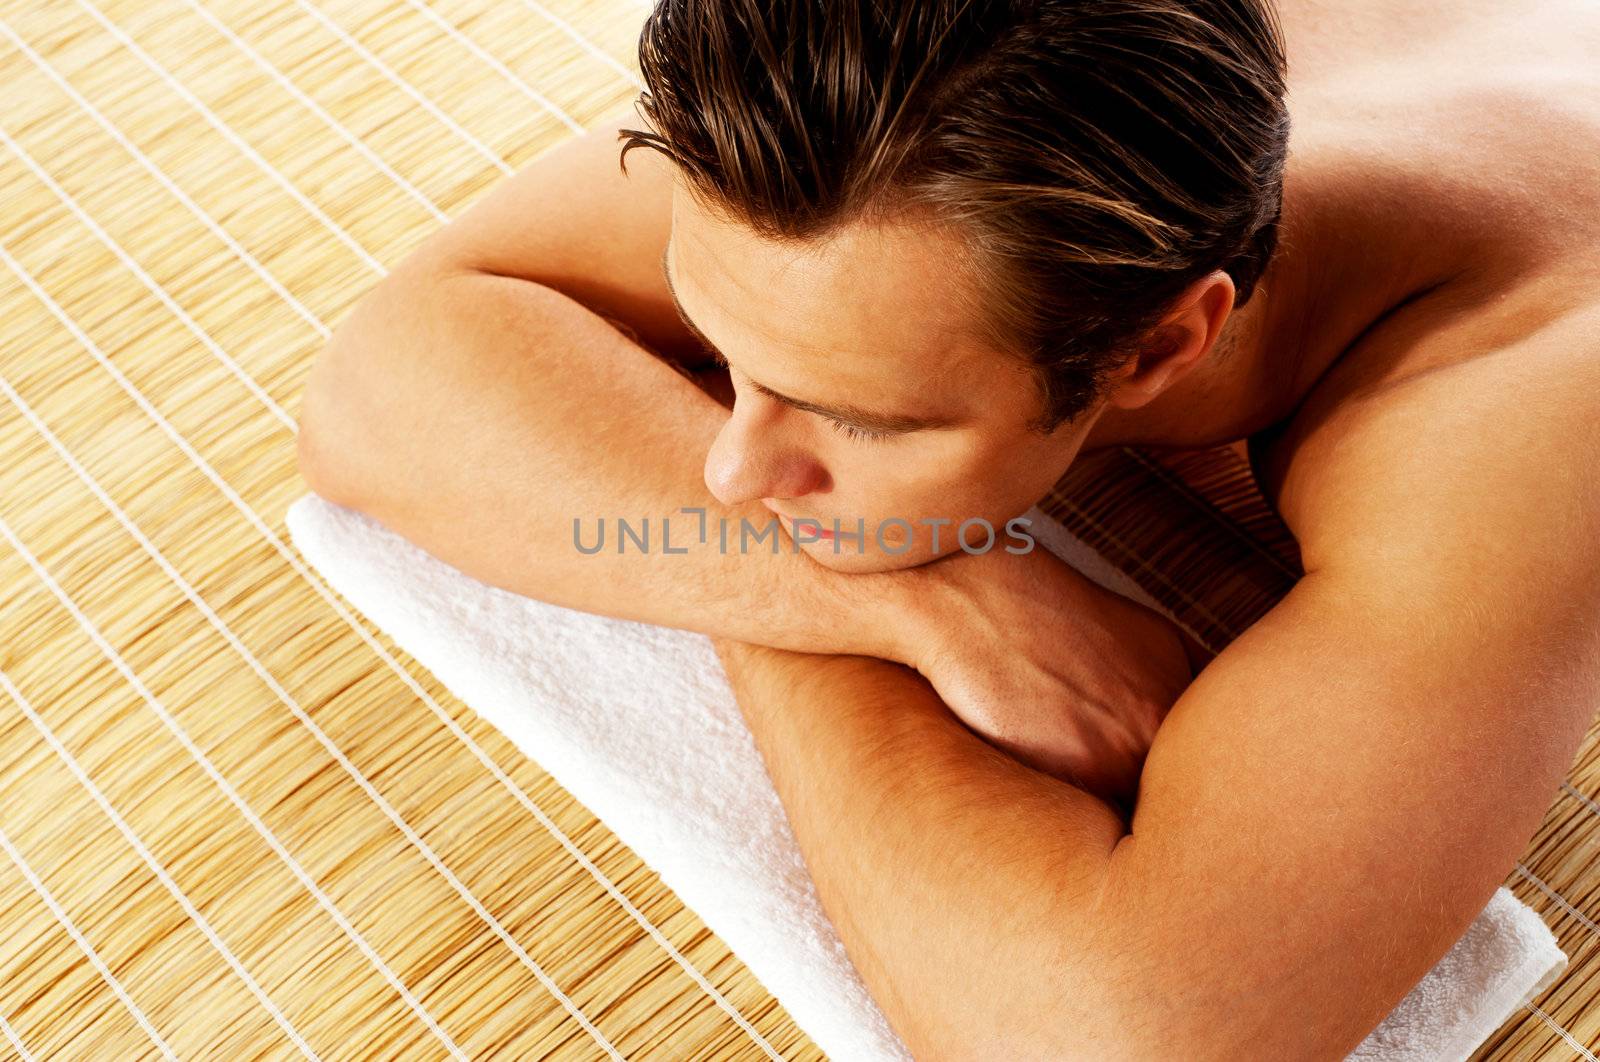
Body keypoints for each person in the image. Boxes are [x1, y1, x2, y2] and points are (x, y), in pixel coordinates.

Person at [296, 0, 1600, 1055]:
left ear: (1165, 341)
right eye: (719, 357)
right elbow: (379, 379)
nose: (735, 464)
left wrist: (721, 577)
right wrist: (903, 597)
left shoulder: (1515, 411)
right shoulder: (956, 111)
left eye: (855, 420)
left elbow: (1109, 1032)